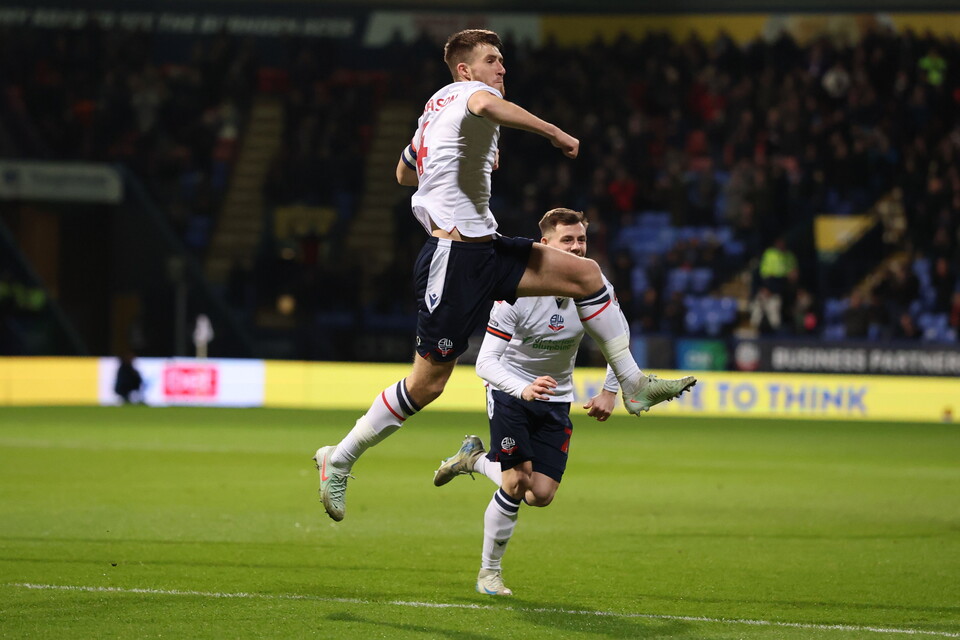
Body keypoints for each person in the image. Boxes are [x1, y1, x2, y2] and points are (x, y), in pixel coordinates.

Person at [313, 29, 696, 523]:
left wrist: (446, 170)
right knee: (427, 385)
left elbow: (404, 171)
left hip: (487, 249)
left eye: (502, 61)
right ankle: (338, 458)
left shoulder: (434, 110)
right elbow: (488, 108)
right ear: (465, 69)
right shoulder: (472, 94)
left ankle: (633, 382)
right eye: (492, 60)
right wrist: (554, 133)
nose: (502, 69)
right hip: (453, 261)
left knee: (586, 275)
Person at [433, 207, 633, 596]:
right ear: (545, 246)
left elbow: (617, 340)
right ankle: (489, 574)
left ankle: (473, 459)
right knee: (515, 481)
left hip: (556, 398)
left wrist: (611, 390)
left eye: (581, 240)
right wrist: (521, 388)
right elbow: (486, 363)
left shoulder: (596, 286)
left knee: (539, 494)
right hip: (510, 392)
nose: (576, 248)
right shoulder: (516, 292)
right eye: (567, 241)